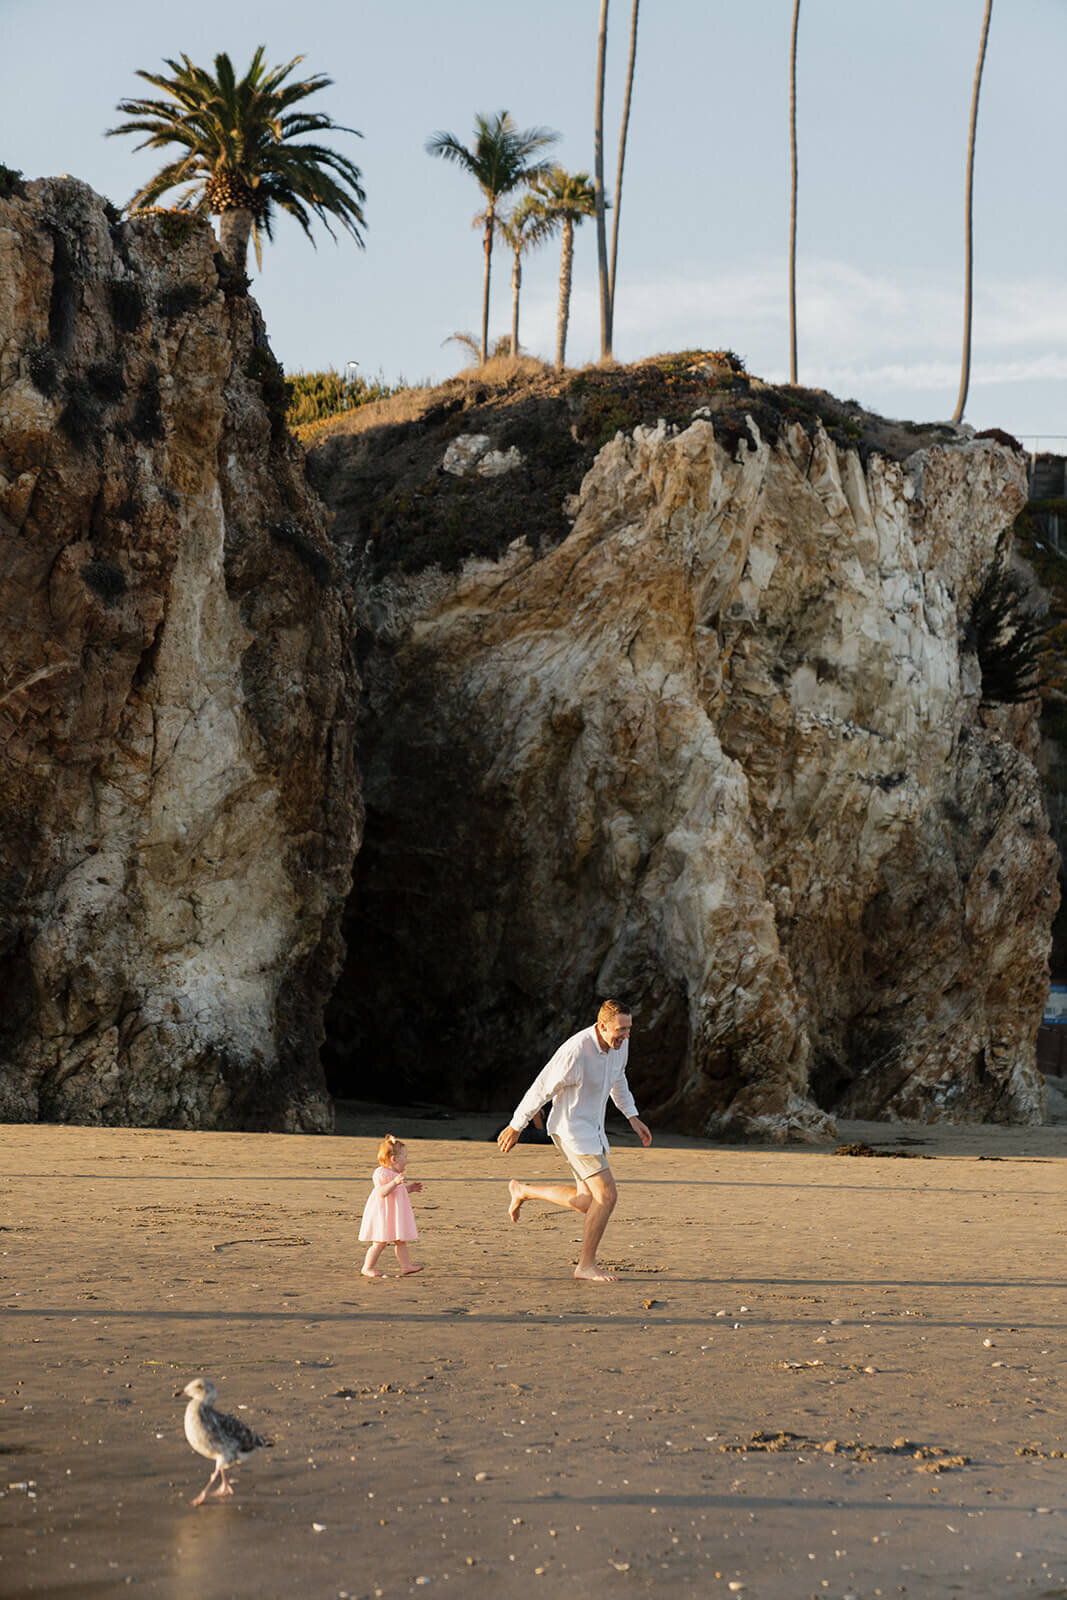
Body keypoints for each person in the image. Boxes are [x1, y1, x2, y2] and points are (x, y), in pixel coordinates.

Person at [497, 1000, 651, 1282]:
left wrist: (633, 1117)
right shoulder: (575, 1051)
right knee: (607, 1196)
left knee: (585, 1201)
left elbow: (619, 1080)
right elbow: (541, 1088)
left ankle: (523, 1191)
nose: (626, 1035)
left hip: (592, 1130)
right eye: (620, 1030)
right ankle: (586, 1265)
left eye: (629, 1029)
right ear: (602, 1026)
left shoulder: (620, 1044)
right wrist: (516, 1125)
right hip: (571, 1131)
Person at [359, 1135, 424, 1278]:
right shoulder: (381, 1172)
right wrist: (395, 1182)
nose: (407, 1160)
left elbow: (397, 1192)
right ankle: (367, 1267)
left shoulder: (395, 1174)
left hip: (395, 1213)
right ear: (394, 1159)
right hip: (383, 1214)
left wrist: (409, 1189)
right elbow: (382, 1192)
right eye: (405, 1156)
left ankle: (406, 1266)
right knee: (380, 1242)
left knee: (401, 1240)